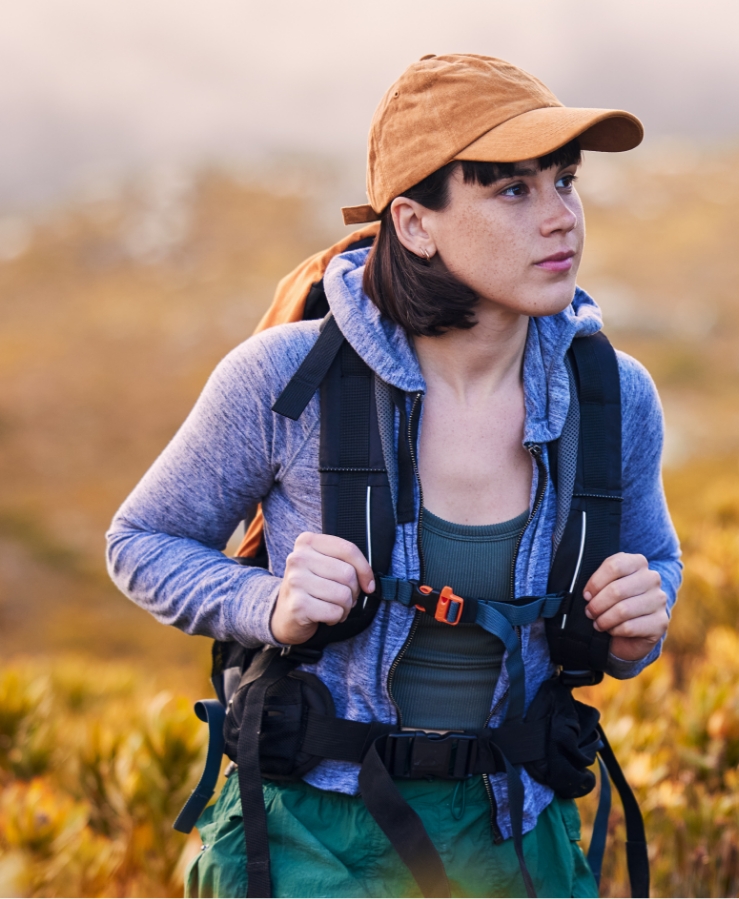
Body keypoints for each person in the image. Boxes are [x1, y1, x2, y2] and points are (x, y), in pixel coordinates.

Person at [107, 53, 681, 898]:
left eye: (564, 180)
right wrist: (268, 604)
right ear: (414, 223)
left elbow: (654, 562)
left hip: (519, 829)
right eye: (512, 191)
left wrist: (641, 623)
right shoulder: (283, 379)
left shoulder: (613, 394)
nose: (561, 218)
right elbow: (140, 539)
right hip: (314, 834)